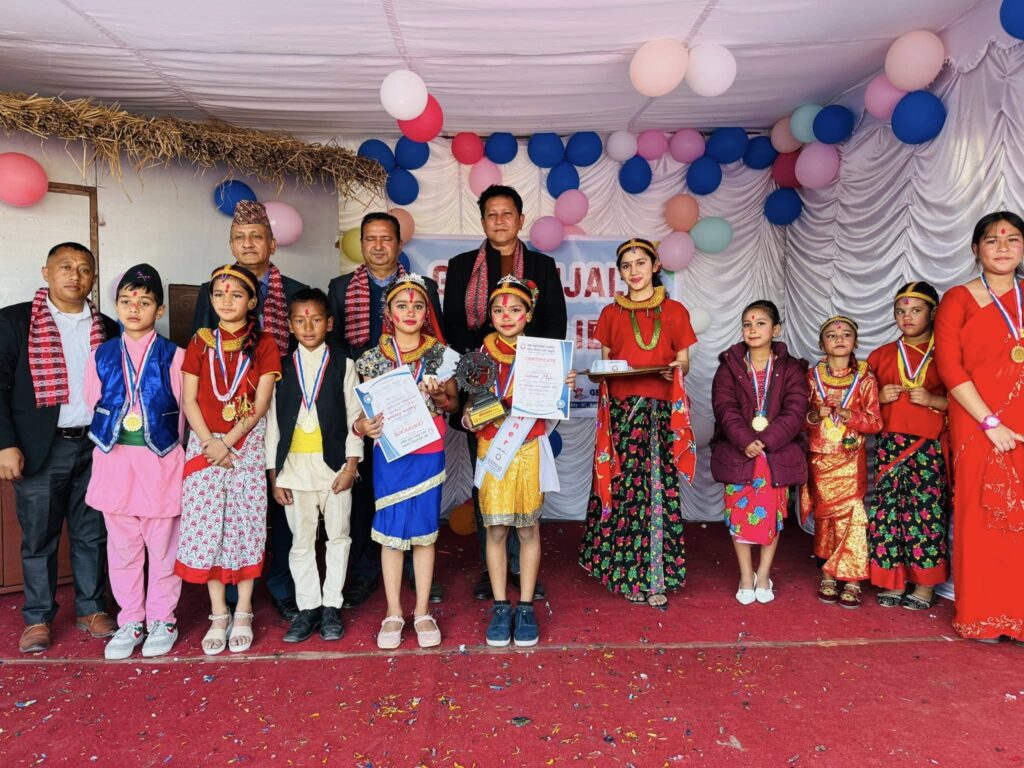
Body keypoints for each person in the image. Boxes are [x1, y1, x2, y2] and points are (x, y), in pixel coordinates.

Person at [444, 185, 567, 601]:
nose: (499, 220)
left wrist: (536, 376)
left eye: (507, 213)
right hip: (482, 395)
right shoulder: (462, 266)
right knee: (488, 483)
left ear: (520, 219)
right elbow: (454, 326)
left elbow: (554, 326)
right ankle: (491, 566)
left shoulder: (542, 265)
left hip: (529, 397)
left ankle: (520, 567)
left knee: (525, 488)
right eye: (491, 214)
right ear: (482, 221)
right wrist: (481, 374)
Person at [0, 242, 120, 654]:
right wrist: (5, 444)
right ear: (46, 273)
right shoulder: (14, 322)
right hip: (40, 447)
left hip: (96, 445)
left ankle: (91, 608)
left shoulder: (108, 327)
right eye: (65, 267)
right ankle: (37, 617)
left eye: (84, 269)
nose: (75, 275)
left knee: (92, 532)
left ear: (92, 279)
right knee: (38, 537)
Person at [192, 200, 308, 621]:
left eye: (256, 236)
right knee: (231, 505)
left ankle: (281, 586)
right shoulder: (214, 290)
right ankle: (232, 594)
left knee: (279, 497)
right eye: (239, 238)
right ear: (230, 244)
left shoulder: (294, 290)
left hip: (285, 406)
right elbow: (201, 354)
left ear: (272, 244)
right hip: (230, 419)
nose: (248, 244)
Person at [327, 212, 443, 609]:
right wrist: (359, 404)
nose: (378, 246)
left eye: (386, 238)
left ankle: (416, 577)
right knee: (369, 497)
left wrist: (439, 389)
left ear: (399, 243)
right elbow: (336, 346)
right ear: (361, 243)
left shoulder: (424, 289)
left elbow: (437, 344)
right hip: (371, 405)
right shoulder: (341, 287)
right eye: (370, 238)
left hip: (420, 425)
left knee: (418, 505)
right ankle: (367, 574)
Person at [578, 239, 696, 610]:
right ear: (620, 272)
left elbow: (684, 362)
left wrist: (674, 370)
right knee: (625, 491)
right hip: (622, 414)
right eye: (627, 265)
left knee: (657, 490)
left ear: (656, 265)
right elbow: (605, 365)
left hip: (659, 413)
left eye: (641, 263)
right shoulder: (610, 313)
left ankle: (656, 577)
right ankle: (626, 574)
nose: (634, 271)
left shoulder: (675, 310)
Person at [175, 264, 281, 654]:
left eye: (236, 295)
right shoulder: (200, 342)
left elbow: (260, 403)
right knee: (208, 528)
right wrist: (210, 442)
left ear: (252, 302)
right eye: (219, 294)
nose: (226, 301)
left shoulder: (265, 343)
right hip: (204, 446)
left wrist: (229, 443)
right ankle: (219, 612)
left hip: (245, 446)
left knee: (245, 525)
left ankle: (245, 610)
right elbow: (189, 399)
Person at [465, 275, 574, 647]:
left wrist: (562, 387)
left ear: (528, 314)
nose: (506, 316)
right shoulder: (478, 357)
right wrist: (469, 417)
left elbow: (553, 410)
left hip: (528, 448)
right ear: (490, 316)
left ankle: (525, 606)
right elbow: (469, 410)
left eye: (515, 309)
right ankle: (500, 606)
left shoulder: (545, 356)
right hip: (493, 448)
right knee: (495, 530)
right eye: (498, 310)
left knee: (528, 530)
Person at [84, 264, 185, 659]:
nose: (133, 308)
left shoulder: (175, 356)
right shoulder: (101, 354)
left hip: (159, 460)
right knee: (123, 548)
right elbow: (92, 402)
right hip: (115, 462)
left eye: (144, 302)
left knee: (162, 546)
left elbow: (184, 412)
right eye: (126, 301)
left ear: (159, 310)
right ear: (116, 306)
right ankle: (130, 620)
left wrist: (170, 451)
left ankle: (163, 618)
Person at [354, 274, 458, 649]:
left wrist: (441, 397)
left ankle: (423, 610)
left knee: (425, 533)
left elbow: (453, 405)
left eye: (417, 306)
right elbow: (362, 412)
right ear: (389, 312)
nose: (410, 312)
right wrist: (361, 426)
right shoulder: (371, 357)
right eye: (402, 305)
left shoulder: (442, 355)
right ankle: (394, 611)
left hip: (428, 451)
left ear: (427, 312)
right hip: (390, 454)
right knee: (391, 536)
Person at [934, 211, 1024, 644]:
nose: (1002, 247)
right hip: (977, 423)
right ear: (975, 249)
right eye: (992, 240)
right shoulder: (959, 299)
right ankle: (983, 615)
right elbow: (949, 367)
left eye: (1012, 239)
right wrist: (990, 422)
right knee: (981, 514)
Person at [266, 288, 364, 643]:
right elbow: (272, 425)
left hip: (335, 468)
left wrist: (351, 467)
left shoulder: (344, 365)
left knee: (338, 537)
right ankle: (308, 606)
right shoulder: (279, 369)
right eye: (300, 320)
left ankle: (332, 605)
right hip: (293, 468)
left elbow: (356, 418)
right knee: (301, 540)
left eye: (316, 320)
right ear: (290, 325)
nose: (308, 327)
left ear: (330, 323)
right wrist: (275, 475)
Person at [711, 300, 809, 605]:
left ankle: (764, 573)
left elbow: (796, 410)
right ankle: (745, 574)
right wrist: (745, 440)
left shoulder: (792, 368)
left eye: (761, 323)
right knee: (738, 515)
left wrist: (766, 440)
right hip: (740, 452)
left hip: (775, 453)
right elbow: (724, 408)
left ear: (776, 329)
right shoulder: (729, 366)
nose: (752, 329)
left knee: (773, 517)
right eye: (747, 324)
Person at [867, 282, 949, 610]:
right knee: (887, 514)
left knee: (925, 515)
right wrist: (878, 397)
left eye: (916, 310)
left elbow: (965, 402)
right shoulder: (881, 355)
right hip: (889, 446)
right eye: (901, 311)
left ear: (933, 312)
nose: (907, 317)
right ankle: (892, 581)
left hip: (927, 448)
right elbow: (859, 406)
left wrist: (932, 400)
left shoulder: (947, 354)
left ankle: (925, 585)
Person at [799, 316, 882, 609]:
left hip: (850, 459)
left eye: (846, 334)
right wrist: (814, 415)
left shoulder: (865, 378)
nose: (839, 339)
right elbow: (798, 420)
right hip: (821, 459)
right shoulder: (811, 377)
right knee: (825, 519)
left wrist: (849, 415)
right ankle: (828, 575)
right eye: (832, 335)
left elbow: (875, 422)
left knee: (854, 517)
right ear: (822, 343)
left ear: (855, 342)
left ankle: (853, 580)